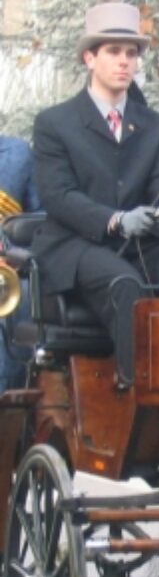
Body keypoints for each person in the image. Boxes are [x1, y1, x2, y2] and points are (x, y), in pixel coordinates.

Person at [31, 3, 159, 391]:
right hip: (77, 246)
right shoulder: (55, 123)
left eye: (131, 53)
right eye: (113, 51)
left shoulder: (154, 125)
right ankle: (136, 393)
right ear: (89, 57)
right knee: (124, 285)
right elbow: (58, 196)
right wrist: (114, 220)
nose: (124, 62)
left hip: (142, 242)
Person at [0, 135, 40, 393]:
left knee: (19, 295)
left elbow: (41, 222)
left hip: (7, 271)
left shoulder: (18, 153)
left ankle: (11, 415)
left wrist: (15, 255)